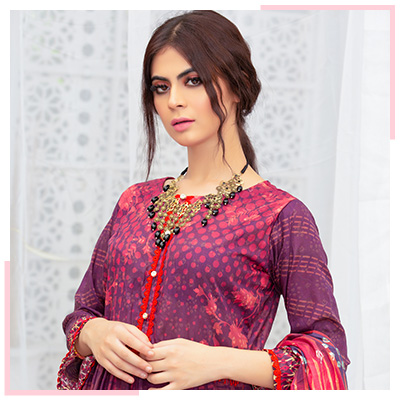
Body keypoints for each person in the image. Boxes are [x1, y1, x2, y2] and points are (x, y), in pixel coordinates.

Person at [57, 10, 349, 390]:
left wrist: (215, 361)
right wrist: (94, 333)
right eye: (161, 87)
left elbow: (326, 351)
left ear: (238, 85)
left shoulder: (279, 216)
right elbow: (83, 311)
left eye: (192, 81)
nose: (174, 101)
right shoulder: (134, 202)